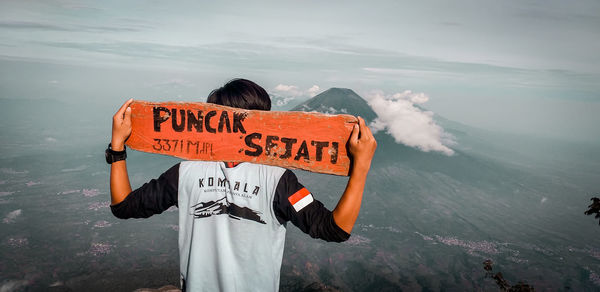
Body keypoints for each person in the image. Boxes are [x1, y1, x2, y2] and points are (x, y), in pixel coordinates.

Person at [107, 79, 377, 291]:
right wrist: (361, 167)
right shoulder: (278, 181)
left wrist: (117, 147)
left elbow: (123, 206)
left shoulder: (184, 173)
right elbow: (335, 229)